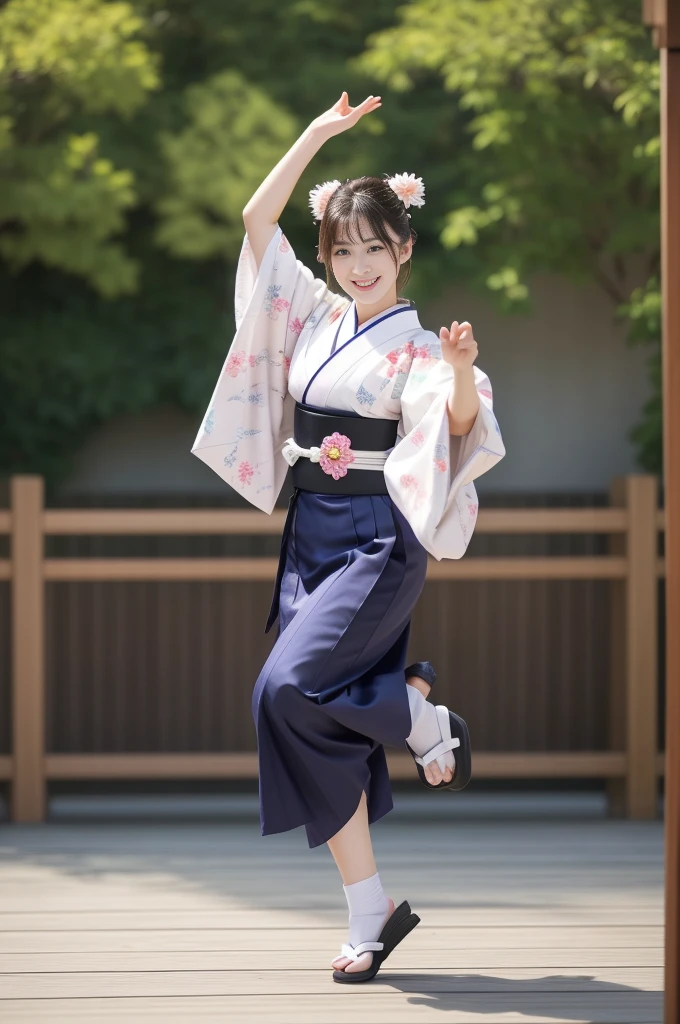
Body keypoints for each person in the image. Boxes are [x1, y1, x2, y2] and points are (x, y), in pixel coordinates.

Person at [192, 91, 505, 982]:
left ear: (404, 250)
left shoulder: (418, 347)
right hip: (311, 534)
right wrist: (317, 137)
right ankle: (372, 909)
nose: (358, 263)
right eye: (343, 249)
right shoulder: (315, 313)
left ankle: (413, 710)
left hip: (378, 540)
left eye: (375, 248)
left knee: (283, 688)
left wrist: (459, 372)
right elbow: (257, 218)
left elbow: (457, 430)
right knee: (291, 709)